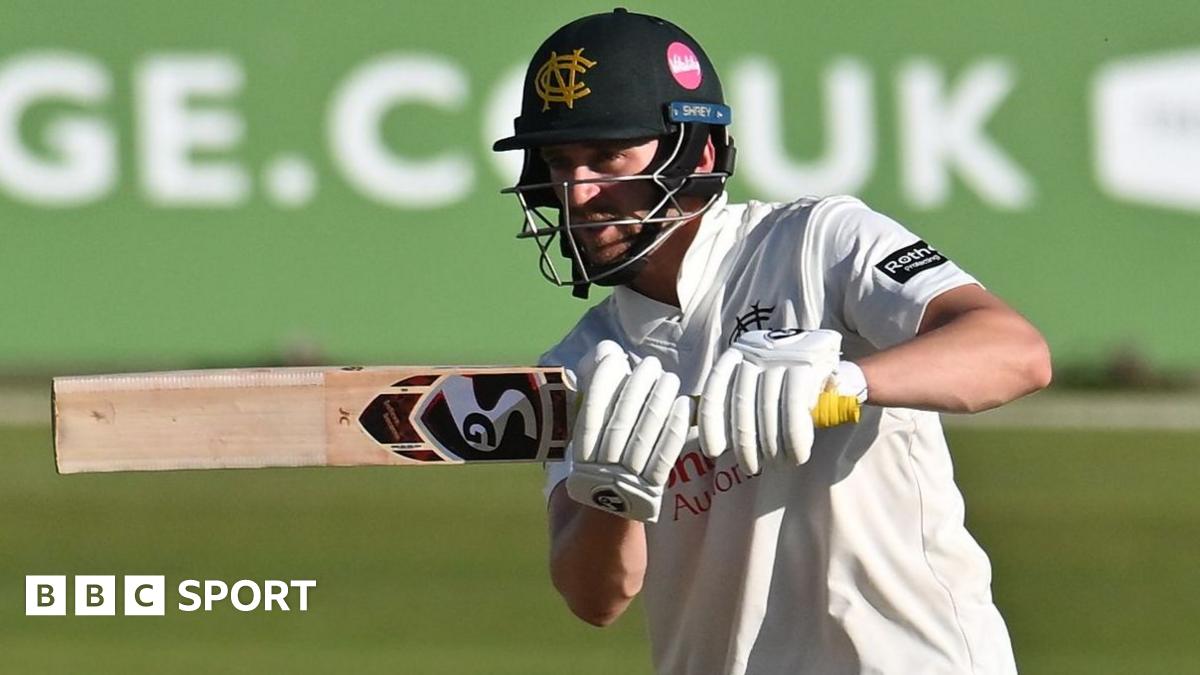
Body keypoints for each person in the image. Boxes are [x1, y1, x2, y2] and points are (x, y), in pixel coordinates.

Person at [492, 9, 1051, 675]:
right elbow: (596, 597)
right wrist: (611, 492)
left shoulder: (818, 242)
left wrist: (847, 383)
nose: (578, 192)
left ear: (696, 152)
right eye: (560, 162)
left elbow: (1016, 352)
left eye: (608, 156)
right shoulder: (582, 363)